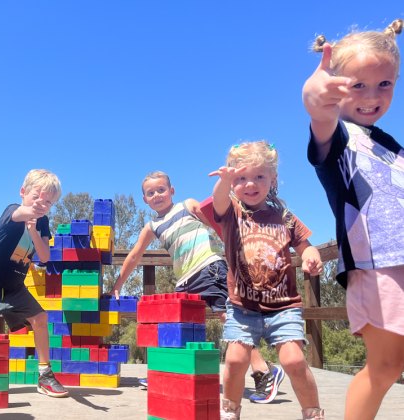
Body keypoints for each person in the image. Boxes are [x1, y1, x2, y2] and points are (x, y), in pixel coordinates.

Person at [302, 19, 404, 420]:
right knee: (385, 367)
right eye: (357, 85)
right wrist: (315, 100)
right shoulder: (339, 138)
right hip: (375, 267)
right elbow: (320, 120)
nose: (372, 96)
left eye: (385, 84)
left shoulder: (391, 146)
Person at [111, 171, 285, 402]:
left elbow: (220, 224)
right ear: (145, 199)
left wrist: (242, 251)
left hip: (209, 267)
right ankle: (172, 373)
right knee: (177, 326)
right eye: (150, 193)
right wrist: (117, 285)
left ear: (172, 191)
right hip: (185, 280)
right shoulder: (153, 226)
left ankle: (264, 371)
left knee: (228, 318)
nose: (157, 195)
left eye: (161, 190)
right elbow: (134, 256)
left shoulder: (187, 205)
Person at [209, 141, 324, 420]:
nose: (250, 184)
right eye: (241, 178)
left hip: (284, 307)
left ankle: (312, 412)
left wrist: (311, 255)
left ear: (272, 179)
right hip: (242, 306)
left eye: (259, 176)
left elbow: (305, 245)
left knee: (293, 360)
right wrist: (224, 182)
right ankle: (230, 410)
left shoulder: (284, 217)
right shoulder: (232, 215)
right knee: (236, 360)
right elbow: (218, 202)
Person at [0, 169, 69, 398]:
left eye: (48, 201)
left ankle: (45, 375)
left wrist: (34, 231)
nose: (41, 203)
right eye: (36, 196)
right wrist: (30, 212)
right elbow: (19, 214)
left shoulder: (43, 222)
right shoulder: (12, 210)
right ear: (22, 191)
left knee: (40, 318)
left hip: (15, 288)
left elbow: (45, 256)